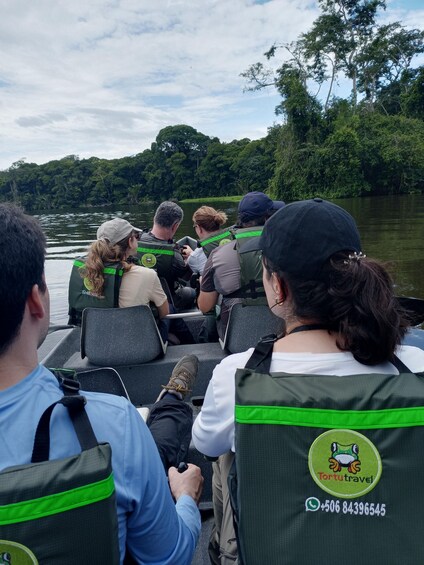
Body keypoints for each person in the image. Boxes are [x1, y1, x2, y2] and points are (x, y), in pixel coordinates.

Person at [192, 198, 424, 564]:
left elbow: (204, 442)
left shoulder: (238, 374)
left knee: (224, 453)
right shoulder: (416, 366)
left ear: (278, 287)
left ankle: (225, 553)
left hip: (278, 549)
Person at [0, 203, 203, 564]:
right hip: (145, 355)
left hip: (93, 353)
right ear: (36, 300)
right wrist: (186, 498)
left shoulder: (83, 275)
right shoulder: (115, 423)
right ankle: (172, 396)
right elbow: (169, 558)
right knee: (161, 426)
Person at [197, 191, 284, 341]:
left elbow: (205, 307)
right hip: (282, 337)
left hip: (235, 341)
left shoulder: (218, 254)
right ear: (269, 218)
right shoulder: (287, 249)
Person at [68, 217, 170, 341]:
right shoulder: (147, 275)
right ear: (130, 242)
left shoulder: (84, 270)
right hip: (138, 349)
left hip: (94, 348)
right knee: (169, 308)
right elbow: (165, 314)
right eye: (136, 236)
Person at [138, 201, 195, 310]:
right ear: (175, 226)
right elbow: (186, 276)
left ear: (155, 218)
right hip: (166, 300)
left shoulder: (133, 243)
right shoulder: (174, 256)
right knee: (191, 292)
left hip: (140, 300)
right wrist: (189, 258)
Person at [181, 206, 229, 275]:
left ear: (199, 228)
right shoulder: (232, 238)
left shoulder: (195, 256)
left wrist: (191, 255)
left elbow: (196, 260)